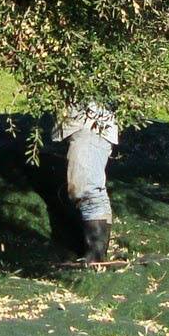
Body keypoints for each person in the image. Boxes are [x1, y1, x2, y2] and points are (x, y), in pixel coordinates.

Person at [53, 103, 118, 262]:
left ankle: (96, 258)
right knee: (83, 189)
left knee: (88, 191)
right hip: (80, 125)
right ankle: (92, 256)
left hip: (90, 126)